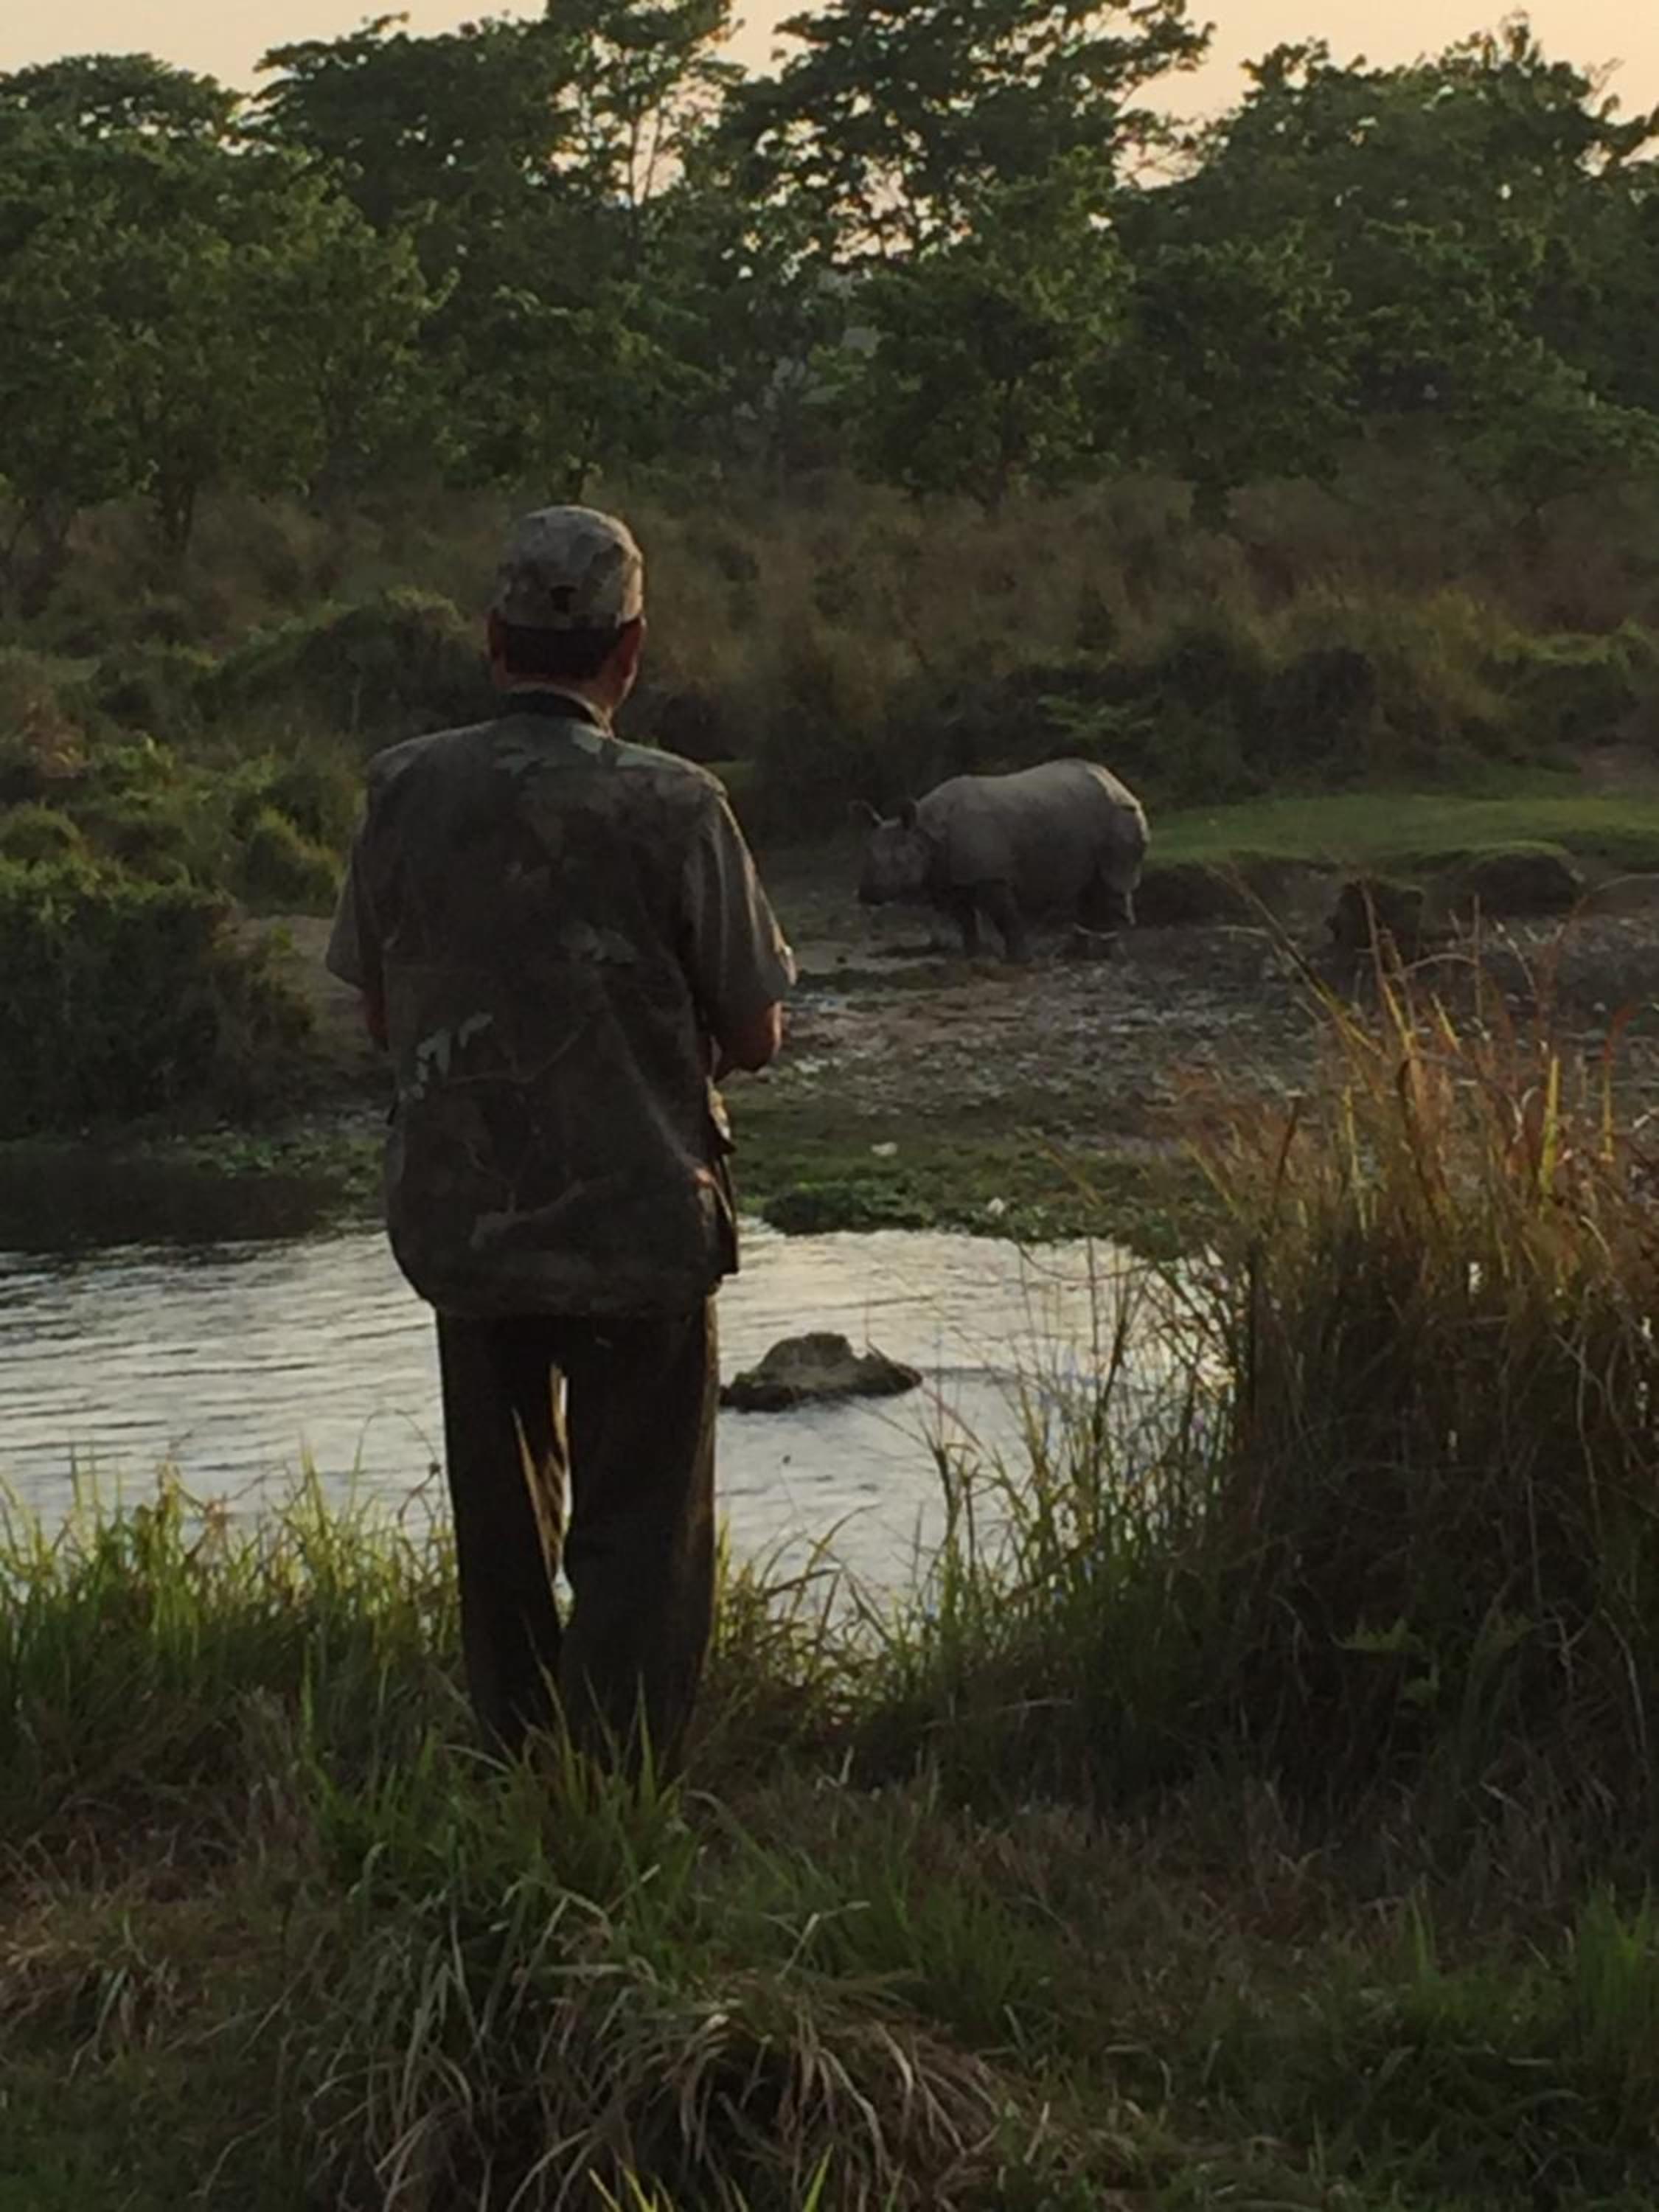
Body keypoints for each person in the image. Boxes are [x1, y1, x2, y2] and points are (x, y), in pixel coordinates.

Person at [325, 505, 793, 1773]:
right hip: (640, 1222)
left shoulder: (403, 789)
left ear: (493, 639)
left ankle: (510, 1765)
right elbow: (754, 1035)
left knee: (502, 1533)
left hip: (465, 1221)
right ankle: (615, 1794)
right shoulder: (679, 805)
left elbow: (381, 1014)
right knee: (642, 1540)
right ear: (629, 651)